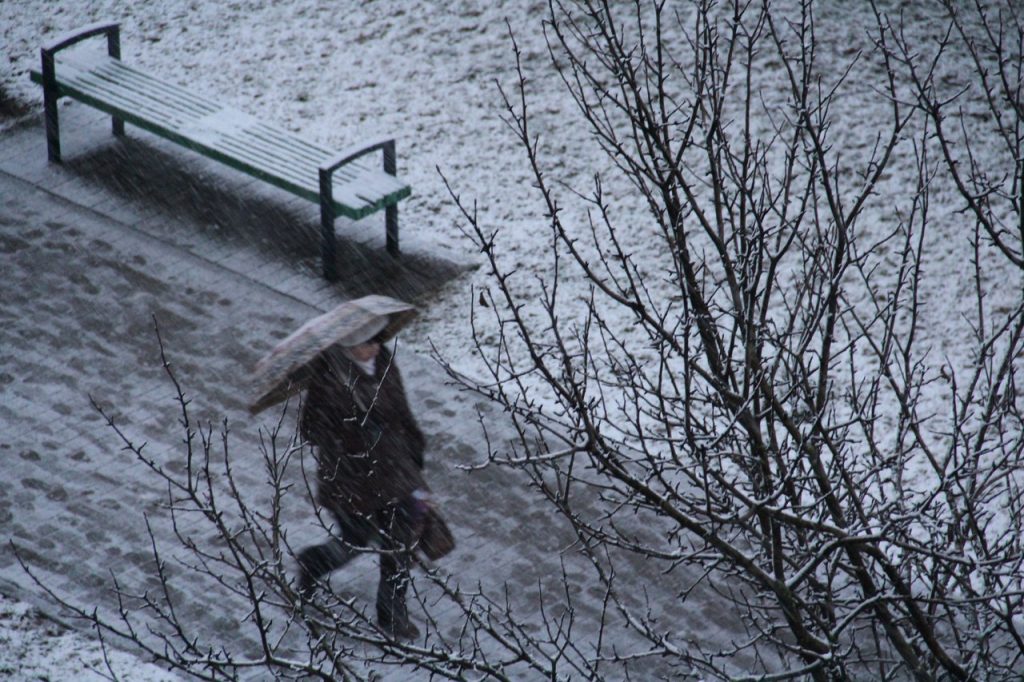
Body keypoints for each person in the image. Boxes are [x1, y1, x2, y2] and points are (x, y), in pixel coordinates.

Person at [296, 331, 428, 640]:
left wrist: (415, 449)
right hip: (350, 479)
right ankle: (313, 563)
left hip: (394, 471)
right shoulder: (328, 376)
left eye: (375, 342)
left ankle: (391, 615)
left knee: (399, 545)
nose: (372, 349)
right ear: (346, 343)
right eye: (364, 343)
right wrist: (352, 432)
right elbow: (311, 430)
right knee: (357, 538)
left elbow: (401, 410)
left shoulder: (384, 362)